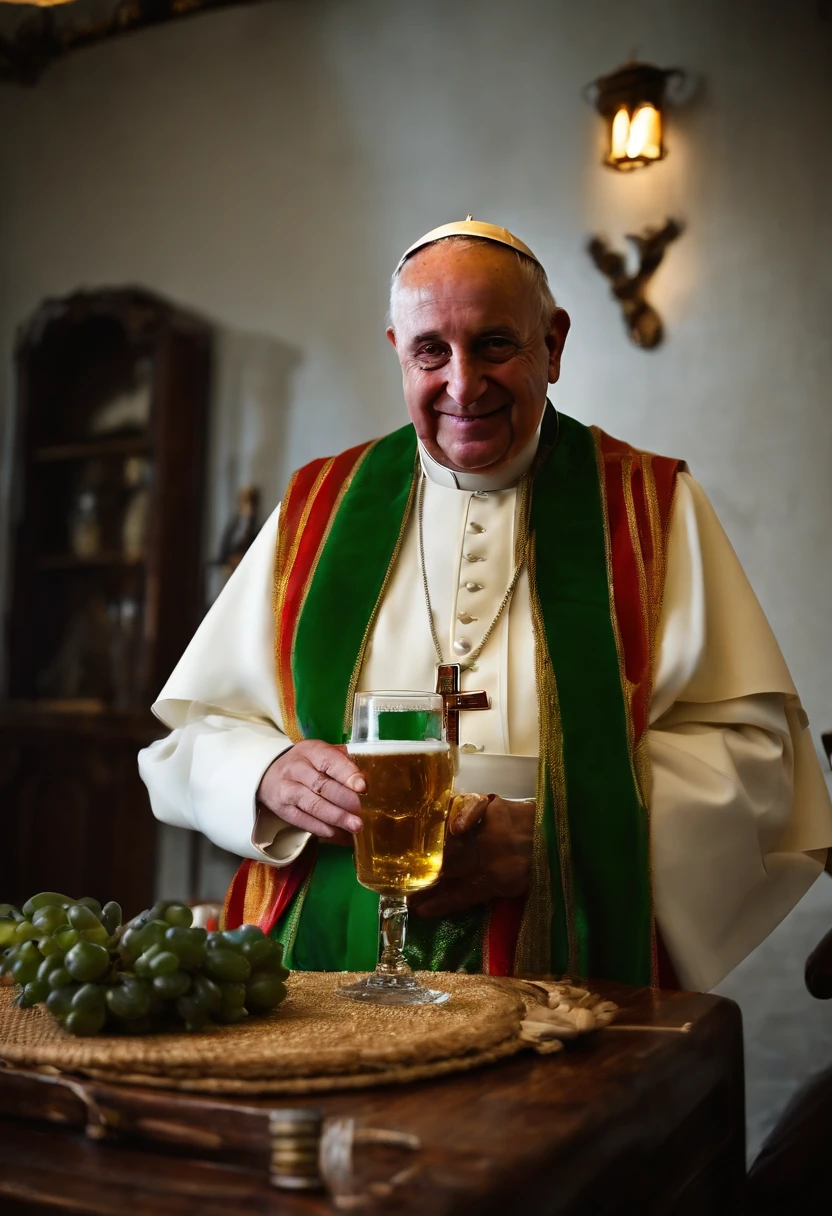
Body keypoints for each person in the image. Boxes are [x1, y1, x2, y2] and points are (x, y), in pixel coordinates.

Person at [139, 217, 832, 991]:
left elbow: (756, 763)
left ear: (555, 345)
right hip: (331, 952)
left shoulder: (648, 506)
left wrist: (552, 837)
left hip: (568, 951)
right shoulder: (317, 507)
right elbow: (197, 734)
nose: (463, 385)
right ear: (398, 352)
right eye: (431, 350)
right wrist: (267, 773)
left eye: (496, 344)